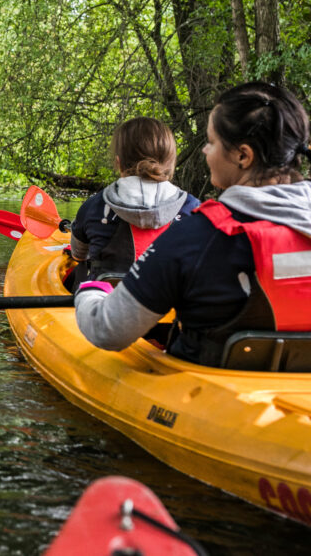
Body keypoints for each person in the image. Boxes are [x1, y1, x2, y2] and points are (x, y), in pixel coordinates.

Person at [75, 82, 311, 366]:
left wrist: (90, 290)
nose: (204, 151)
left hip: (208, 394)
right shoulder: (192, 223)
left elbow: (107, 330)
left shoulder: (195, 237)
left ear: (243, 156)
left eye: (211, 142)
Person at [70, 117, 200, 282]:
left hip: (105, 304)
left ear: (119, 163)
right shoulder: (193, 209)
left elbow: (78, 254)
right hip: (170, 304)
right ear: (170, 164)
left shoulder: (94, 207)